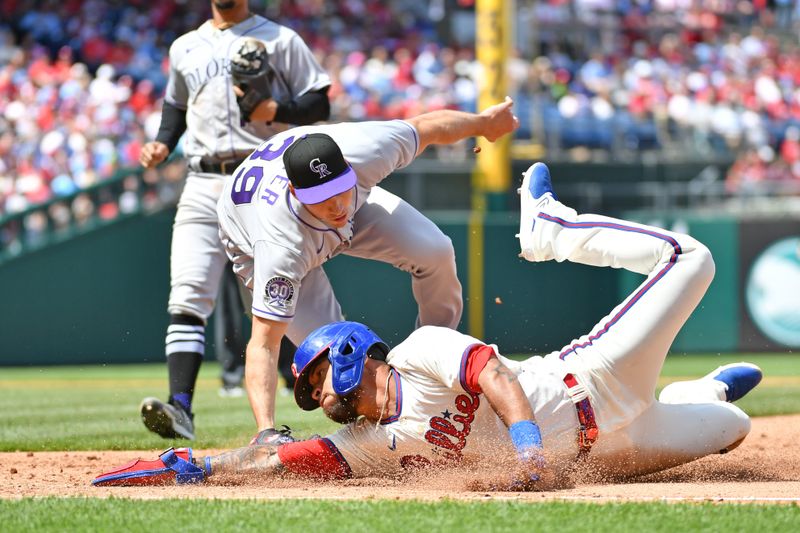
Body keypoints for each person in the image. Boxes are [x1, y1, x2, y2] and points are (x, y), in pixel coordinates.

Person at [93, 162, 763, 488]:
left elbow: (493, 373)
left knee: (691, 256)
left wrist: (529, 450)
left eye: (317, 375)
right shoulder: (366, 440)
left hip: (596, 377)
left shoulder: (419, 350)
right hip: (609, 447)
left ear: (350, 350)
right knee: (731, 430)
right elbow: (282, 458)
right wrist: (201, 466)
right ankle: (700, 391)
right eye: (311, 392)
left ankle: (552, 226)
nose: (318, 394)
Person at [215, 96, 519, 445]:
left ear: (347, 166)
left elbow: (426, 128)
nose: (338, 205)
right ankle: (377, 431)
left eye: (339, 187)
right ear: (295, 191)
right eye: (324, 195)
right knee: (339, 360)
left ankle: (431, 361)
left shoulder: (365, 151)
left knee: (434, 250)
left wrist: (483, 124)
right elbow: (264, 343)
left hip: (334, 211)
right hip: (261, 239)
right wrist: (265, 430)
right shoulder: (279, 247)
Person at [138, 0, 331, 441]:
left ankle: (346, 399)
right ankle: (180, 407)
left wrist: (276, 109)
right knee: (188, 292)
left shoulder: (281, 38)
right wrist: (162, 144)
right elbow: (175, 108)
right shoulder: (185, 46)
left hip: (263, 179)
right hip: (202, 180)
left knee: (287, 306)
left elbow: (318, 102)